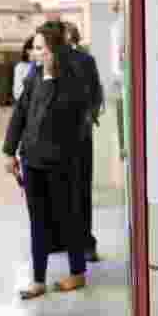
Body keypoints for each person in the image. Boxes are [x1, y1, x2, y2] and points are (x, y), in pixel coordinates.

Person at [3, 23, 90, 299]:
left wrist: (54, 77)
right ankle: (38, 280)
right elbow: (20, 114)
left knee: (68, 218)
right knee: (37, 220)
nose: (35, 53)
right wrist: (9, 152)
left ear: (54, 50)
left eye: (40, 48)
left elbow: (73, 122)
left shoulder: (73, 80)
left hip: (61, 163)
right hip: (33, 161)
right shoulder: (34, 76)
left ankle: (77, 273)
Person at [64, 21, 105, 262]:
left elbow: (96, 92)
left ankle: (85, 242)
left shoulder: (84, 60)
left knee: (81, 189)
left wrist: (90, 115)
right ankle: (61, 239)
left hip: (79, 135)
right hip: (52, 139)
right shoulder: (46, 61)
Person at [12, 36, 35, 102]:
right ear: (28, 50)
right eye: (36, 48)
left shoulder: (43, 65)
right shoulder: (20, 67)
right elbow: (17, 93)